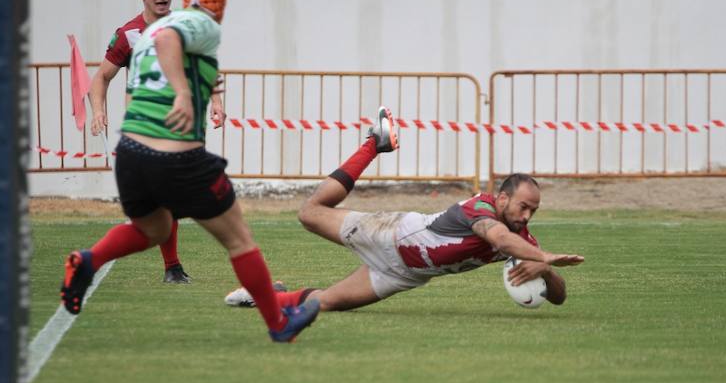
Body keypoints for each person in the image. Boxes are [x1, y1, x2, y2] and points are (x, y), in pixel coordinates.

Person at [61, 0, 319, 343]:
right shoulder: (198, 24)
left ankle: (88, 260)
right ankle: (279, 324)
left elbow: (172, 52)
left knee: (154, 229)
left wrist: (204, 90)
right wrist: (183, 92)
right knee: (240, 239)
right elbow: (170, 41)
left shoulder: (147, 32)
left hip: (132, 153)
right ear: (218, 0)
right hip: (175, 155)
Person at [225, 106, 585, 312]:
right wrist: (545, 255)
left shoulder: (522, 236)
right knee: (309, 212)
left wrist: (547, 270)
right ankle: (375, 143)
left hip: (403, 275)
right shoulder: (481, 209)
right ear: (502, 198)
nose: (527, 216)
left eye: (533, 212)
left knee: (326, 304)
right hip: (391, 236)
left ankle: (264, 295)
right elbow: (500, 240)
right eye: (524, 207)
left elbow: (559, 298)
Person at [89, 0, 227, 284]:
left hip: (181, 125)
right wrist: (98, 110)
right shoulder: (128, 34)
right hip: (145, 128)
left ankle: (99, 260)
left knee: (165, 203)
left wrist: (217, 102)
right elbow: (101, 78)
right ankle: (172, 267)